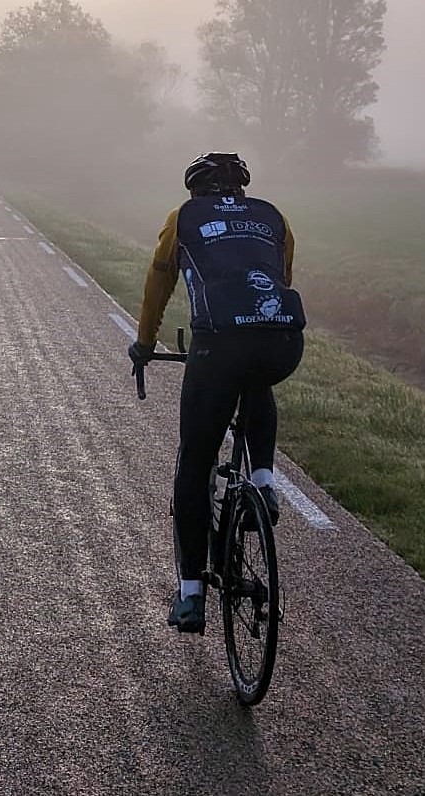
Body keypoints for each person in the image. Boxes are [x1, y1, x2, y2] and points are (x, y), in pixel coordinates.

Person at [127, 152, 306, 634]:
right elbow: (281, 276)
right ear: (241, 189)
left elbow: (158, 282)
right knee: (257, 378)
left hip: (216, 346)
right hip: (284, 340)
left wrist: (145, 343)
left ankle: (190, 596)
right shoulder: (272, 216)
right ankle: (265, 482)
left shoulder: (181, 218)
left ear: (194, 191)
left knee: (195, 461)